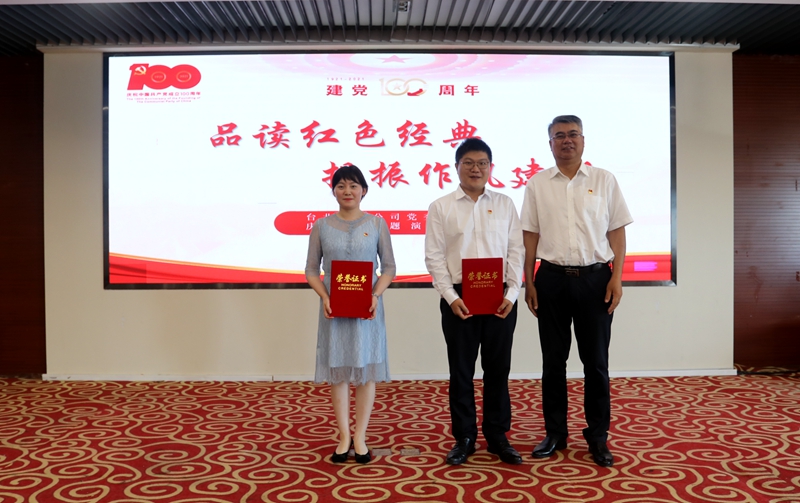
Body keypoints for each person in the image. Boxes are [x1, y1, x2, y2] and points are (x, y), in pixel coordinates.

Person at [521, 115, 633, 468]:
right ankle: (555, 433)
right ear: (550, 143)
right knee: (553, 362)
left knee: (596, 363)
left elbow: (617, 232)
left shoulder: (604, 180)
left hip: (596, 280)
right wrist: (529, 281)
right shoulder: (537, 184)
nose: (566, 140)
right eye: (559, 136)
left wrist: (617, 277)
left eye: (573, 134)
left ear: (583, 140)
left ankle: (598, 437)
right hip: (551, 279)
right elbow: (530, 236)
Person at [424, 138, 525, 466]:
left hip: (500, 299)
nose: (475, 169)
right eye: (468, 162)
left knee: (498, 369)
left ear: (490, 168)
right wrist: (451, 297)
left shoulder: (505, 204)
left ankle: (497, 435)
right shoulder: (441, 207)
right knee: (461, 371)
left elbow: (516, 251)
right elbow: (434, 256)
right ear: (456, 167)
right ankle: (464, 437)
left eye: (482, 163)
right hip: (459, 298)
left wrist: (512, 293)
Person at [305, 165, 396, 464]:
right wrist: (324, 296)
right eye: (341, 186)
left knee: (366, 372)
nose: (348, 191)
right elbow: (311, 269)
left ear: (364, 190)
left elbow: (389, 267)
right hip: (334, 309)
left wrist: (375, 294)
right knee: (339, 371)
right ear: (333, 191)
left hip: (367, 309)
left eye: (354, 186)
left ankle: (361, 436)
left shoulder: (378, 224)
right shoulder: (321, 226)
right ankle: (344, 436)